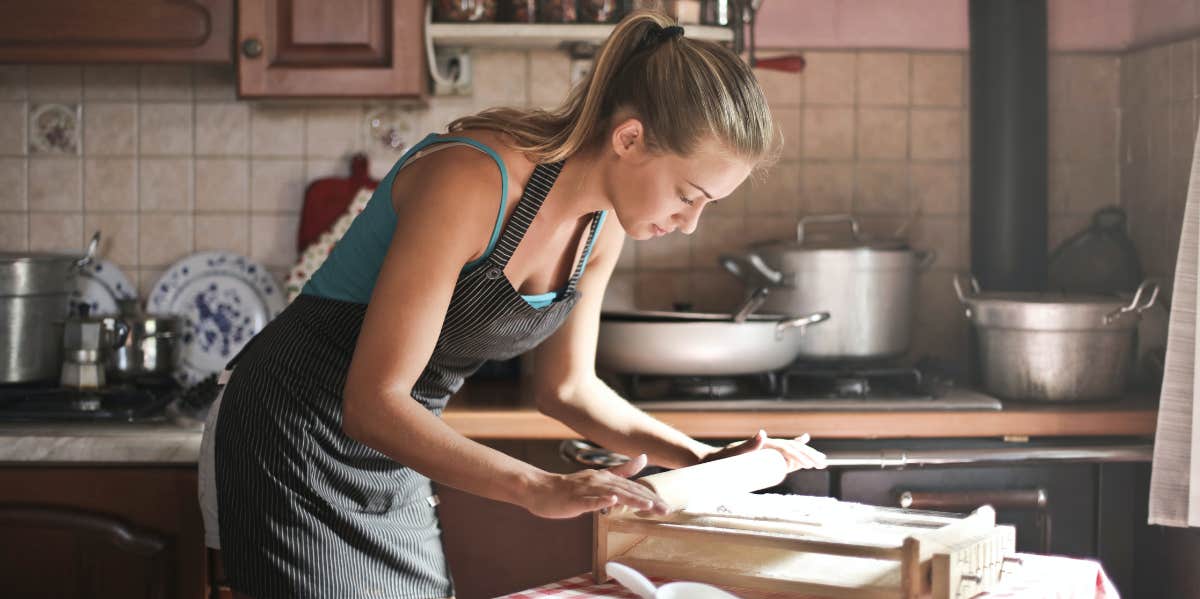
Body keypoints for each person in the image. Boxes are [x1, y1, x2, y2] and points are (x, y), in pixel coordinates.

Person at [198, 10, 826, 599]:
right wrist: (537, 487)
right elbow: (372, 402)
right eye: (687, 195)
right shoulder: (473, 180)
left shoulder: (601, 226)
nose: (689, 223)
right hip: (292, 433)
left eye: (705, 206)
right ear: (630, 138)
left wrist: (707, 461)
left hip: (397, 443)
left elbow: (569, 390)